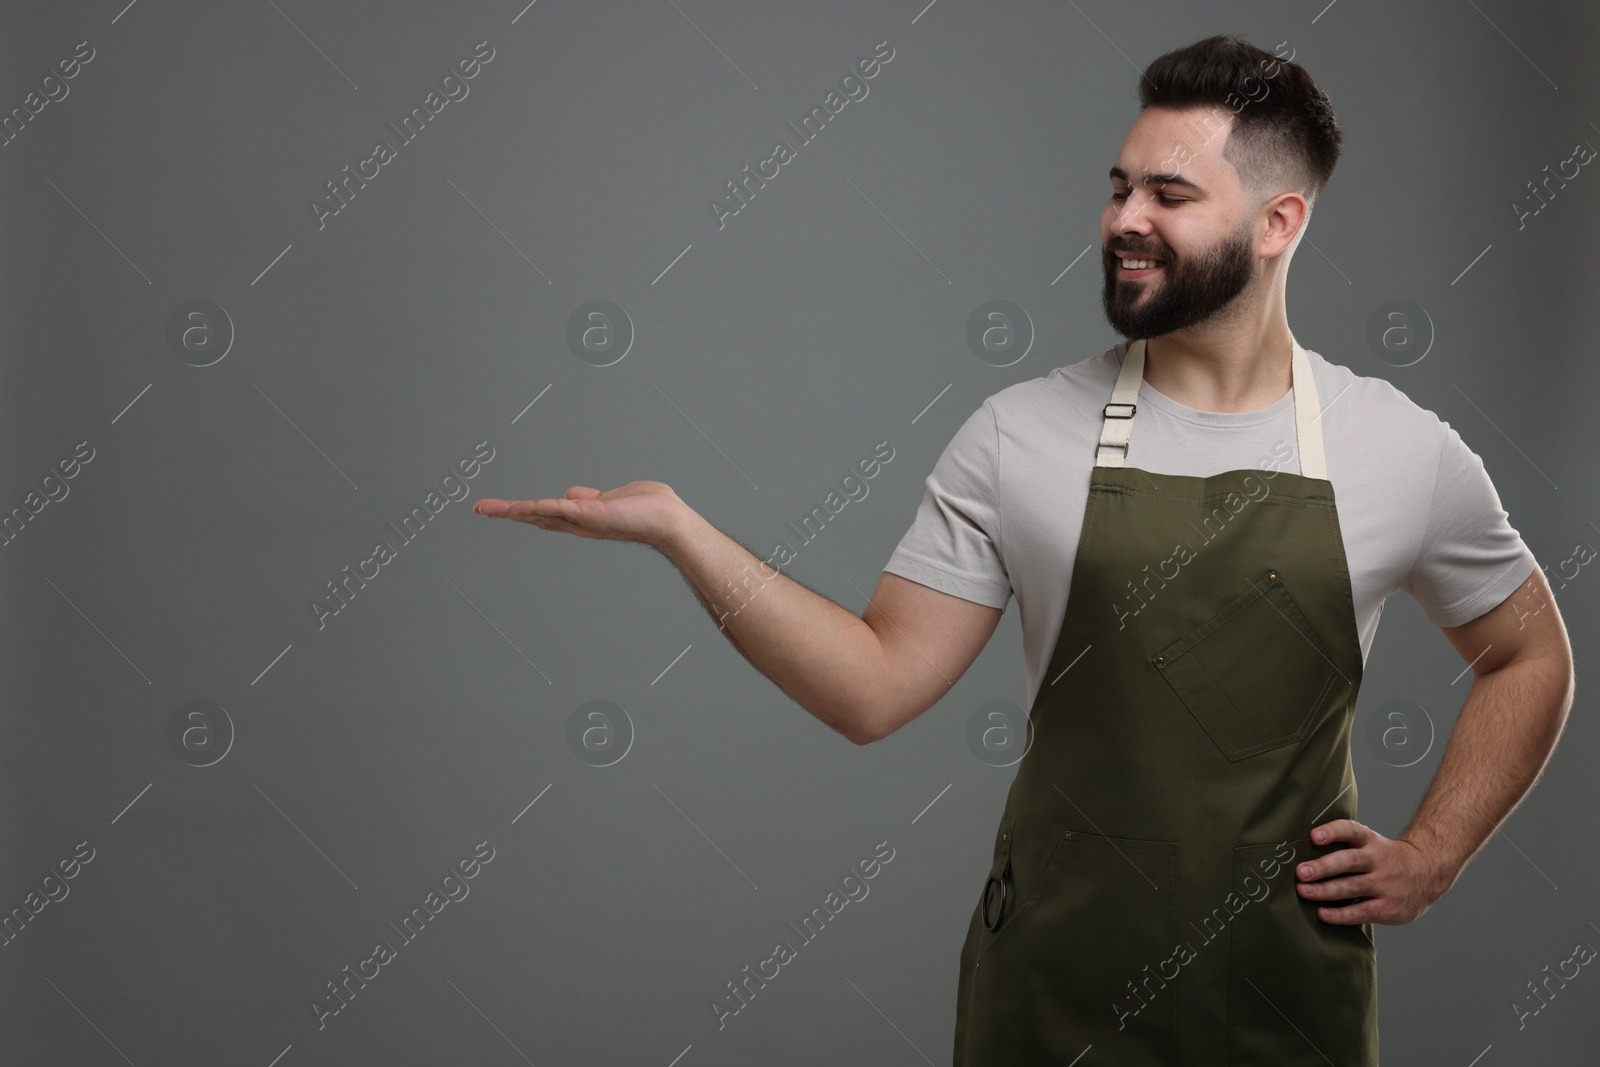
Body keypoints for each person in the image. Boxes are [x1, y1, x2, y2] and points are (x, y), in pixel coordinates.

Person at [473, 33, 1574, 1066]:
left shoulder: (1397, 448)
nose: (1122, 219)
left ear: (1277, 221)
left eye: (1169, 194)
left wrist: (1433, 853)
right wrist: (681, 530)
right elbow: (871, 686)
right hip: (1055, 992)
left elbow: (1529, 656)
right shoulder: (1018, 434)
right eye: (1118, 186)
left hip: (1287, 996)